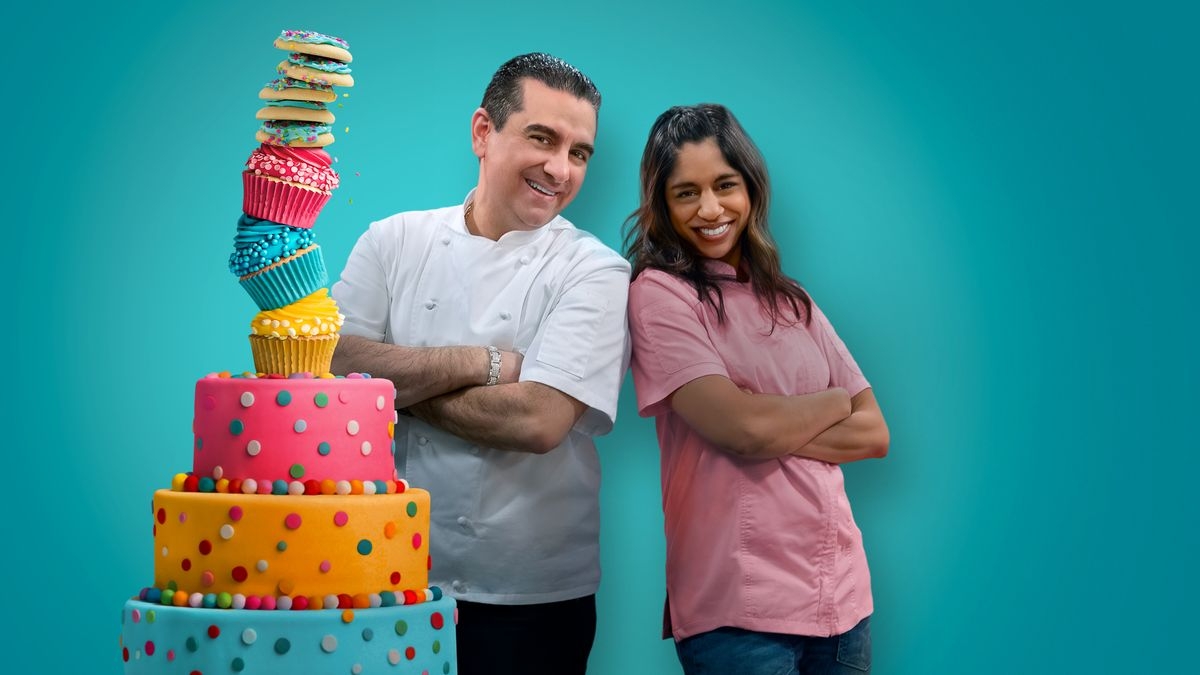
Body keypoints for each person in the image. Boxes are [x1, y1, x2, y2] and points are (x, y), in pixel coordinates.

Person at [330, 53, 630, 675]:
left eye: (579, 152)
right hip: (382, 575)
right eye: (542, 138)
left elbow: (538, 422)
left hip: (532, 595)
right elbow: (331, 361)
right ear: (483, 133)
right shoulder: (393, 241)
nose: (560, 168)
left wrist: (385, 389)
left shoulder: (594, 270)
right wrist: (485, 363)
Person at [624, 104, 889, 674]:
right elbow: (740, 430)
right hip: (739, 611)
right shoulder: (662, 295)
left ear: (752, 189)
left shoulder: (792, 300)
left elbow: (874, 432)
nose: (711, 209)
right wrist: (832, 402)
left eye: (725, 185)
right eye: (686, 193)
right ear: (663, 206)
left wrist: (772, 421)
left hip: (841, 599)